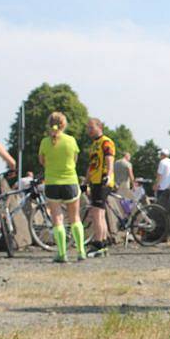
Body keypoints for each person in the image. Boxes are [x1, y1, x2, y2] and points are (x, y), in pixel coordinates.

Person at [39, 112, 85, 262]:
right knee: (75, 217)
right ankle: (81, 251)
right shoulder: (71, 141)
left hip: (52, 183)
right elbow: (75, 160)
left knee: (57, 219)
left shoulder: (45, 142)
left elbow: (42, 161)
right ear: (64, 125)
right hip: (70, 182)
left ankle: (62, 253)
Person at [84, 118, 115, 257]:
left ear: (99, 127)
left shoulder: (106, 141)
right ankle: (102, 243)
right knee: (99, 213)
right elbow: (91, 165)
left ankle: (98, 244)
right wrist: (85, 181)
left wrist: (108, 175)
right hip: (95, 181)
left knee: (97, 213)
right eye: (87, 128)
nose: (88, 130)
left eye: (91, 127)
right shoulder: (93, 145)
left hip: (103, 181)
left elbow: (110, 160)